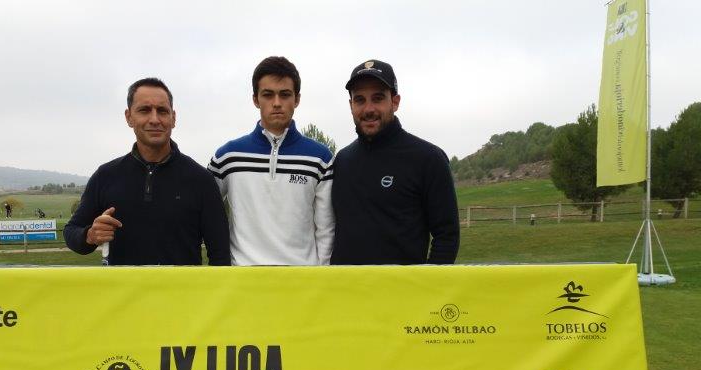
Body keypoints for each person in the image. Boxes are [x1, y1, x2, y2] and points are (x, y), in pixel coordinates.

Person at [64, 77, 230, 265]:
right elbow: (71, 231)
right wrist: (90, 236)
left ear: (173, 118)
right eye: (144, 110)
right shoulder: (106, 176)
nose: (154, 119)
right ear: (129, 117)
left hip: (183, 294)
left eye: (162, 111)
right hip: (124, 294)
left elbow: (220, 253)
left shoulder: (201, 180)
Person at [330, 59, 460, 265]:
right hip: (346, 293)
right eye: (360, 100)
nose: (368, 109)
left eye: (378, 98)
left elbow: (447, 236)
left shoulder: (428, 159)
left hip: (404, 294)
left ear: (395, 101)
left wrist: (428, 287)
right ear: (351, 105)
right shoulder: (342, 161)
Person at [208, 56, 334, 265]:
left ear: (297, 99)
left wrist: (322, 278)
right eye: (268, 95)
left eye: (285, 95)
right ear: (256, 99)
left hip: (302, 283)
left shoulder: (320, 158)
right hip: (243, 282)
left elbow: (326, 229)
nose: (277, 103)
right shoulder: (228, 157)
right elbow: (204, 211)